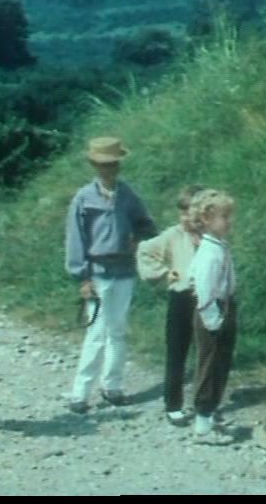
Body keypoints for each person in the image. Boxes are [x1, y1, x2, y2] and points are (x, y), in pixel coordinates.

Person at [65, 137, 157, 414]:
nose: (109, 169)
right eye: (103, 164)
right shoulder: (84, 198)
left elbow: (146, 225)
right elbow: (76, 239)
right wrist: (83, 277)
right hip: (98, 272)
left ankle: (113, 387)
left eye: (113, 164)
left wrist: (138, 239)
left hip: (124, 271)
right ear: (94, 165)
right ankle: (80, 393)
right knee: (96, 332)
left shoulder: (128, 195)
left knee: (118, 331)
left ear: (119, 165)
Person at [137, 185, 206, 426]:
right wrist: (165, 272)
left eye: (191, 212)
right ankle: (173, 404)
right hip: (181, 297)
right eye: (182, 212)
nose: (186, 218)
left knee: (206, 353)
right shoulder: (173, 235)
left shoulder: (210, 236)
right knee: (177, 352)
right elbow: (145, 251)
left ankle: (204, 403)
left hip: (206, 299)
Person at [187, 189, 238, 439]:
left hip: (225, 306)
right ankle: (203, 420)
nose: (229, 221)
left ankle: (211, 412)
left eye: (229, 216)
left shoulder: (218, 247)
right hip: (213, 311)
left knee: (221, 363)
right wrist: (213, 320)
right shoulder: (209, 252)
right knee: (210, 364)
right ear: (206, 219)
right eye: (224, 216)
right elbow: (204, 289)